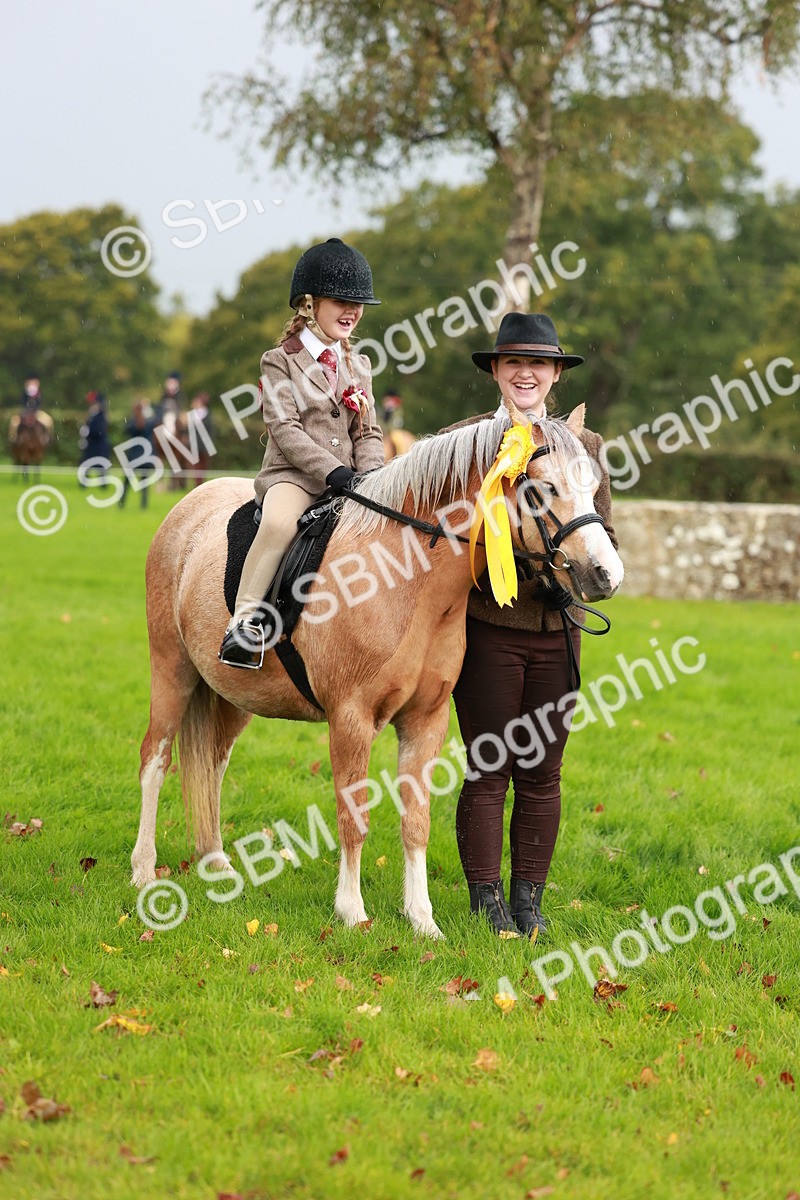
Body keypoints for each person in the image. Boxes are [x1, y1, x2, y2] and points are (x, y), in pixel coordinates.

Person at [445, 312, 619, 938]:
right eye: (513, 362)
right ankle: (486, 902)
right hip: (489, 626)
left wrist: (575, 569)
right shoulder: (465, 443)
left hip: (560, 633)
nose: (526, 373)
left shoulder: (587, 446)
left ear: (554, 375)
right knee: (489, 765)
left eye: (538, 363)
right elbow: (441, 544)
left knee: (543, 772)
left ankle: (529, 902)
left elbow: (602, 534)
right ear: (495, 370)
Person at [218, 237, 385, 668]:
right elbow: (285, 429)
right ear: (309, 305)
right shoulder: (279, 361)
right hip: (293, 477)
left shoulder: (359, 365)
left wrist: (374, 476)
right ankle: (243, 624)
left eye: (358, 303)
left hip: (350, 479)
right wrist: (334, 473)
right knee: (277, 523)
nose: (352, 311)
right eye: (341, 301)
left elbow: (368, 430)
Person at [119, 400, 157, 508]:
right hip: (145, 457)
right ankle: (143, 505)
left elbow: (126, 430)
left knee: (126, 482)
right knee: (144, 483)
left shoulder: (133, 423)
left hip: (134, 456)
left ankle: (122, 503)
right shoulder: (148, 422)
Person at [78, 390, 111, 484]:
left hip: (99, 445)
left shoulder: (101, 416)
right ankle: (84, 482)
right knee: (86, 464)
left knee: (100, 466)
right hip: (92, 444)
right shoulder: (93, 415)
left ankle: (102, 483)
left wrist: (88, 432)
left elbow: (99, 431)